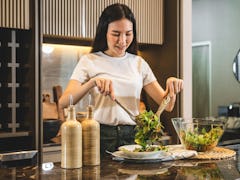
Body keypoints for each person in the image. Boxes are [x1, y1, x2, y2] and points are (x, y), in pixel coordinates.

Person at [58, 3, 183, 156]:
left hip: (134, 136)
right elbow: (64, 102)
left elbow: (167, 105)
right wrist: (93, 82)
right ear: (104, 32)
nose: (122, 41)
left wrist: (171, 87)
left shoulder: (139, 63)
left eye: (128, 34)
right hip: (100, 135)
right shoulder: (89, 61)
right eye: (116, 34)